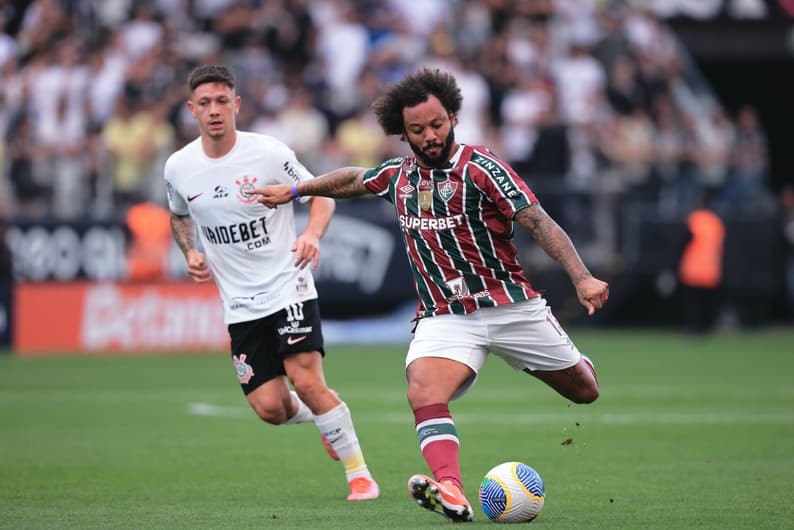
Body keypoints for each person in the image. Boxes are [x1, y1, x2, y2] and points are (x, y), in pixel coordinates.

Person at [253, 68, 607, 523]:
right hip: (446, 316)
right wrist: (297, 190)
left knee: (585, 392)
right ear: (403, 134)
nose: (430, 135)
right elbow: (352, 180)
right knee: (422, 390)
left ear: (453, 116)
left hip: (510, 306)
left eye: (437, 124)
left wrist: (581, 278)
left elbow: (538, 221)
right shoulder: (399, 177)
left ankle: (575, 361)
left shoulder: (482, 167)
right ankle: (452, 489)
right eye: (417, 130)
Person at [163, 64, 379, 501]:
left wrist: (311, 234)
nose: (214, 110)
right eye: (205, 103)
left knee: (306, 379)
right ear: (192, 110)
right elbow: (179, 214)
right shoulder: (179, 167)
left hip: (288, 284)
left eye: (222, 101)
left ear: (237, 104)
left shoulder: (267, 153)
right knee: (271, 409)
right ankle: (324, 417)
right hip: (240, 304)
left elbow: (320, 191)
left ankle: (360, 476)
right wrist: (189, 251)